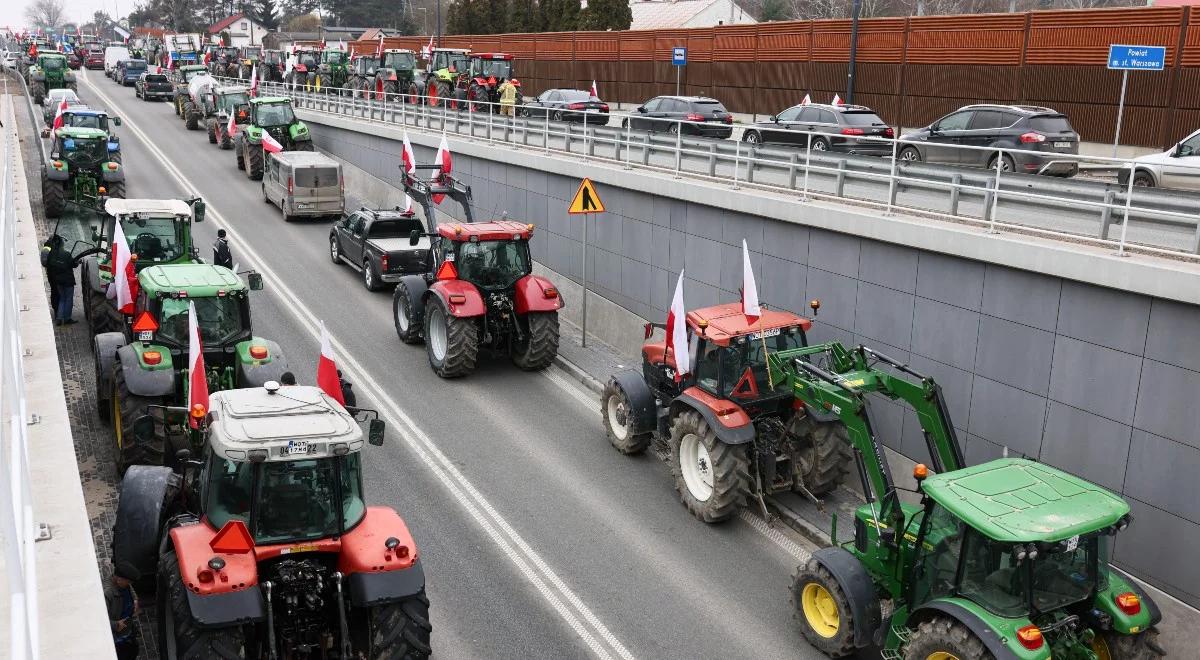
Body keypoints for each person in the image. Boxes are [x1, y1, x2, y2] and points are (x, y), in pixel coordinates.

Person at [41, 234, 78, 325]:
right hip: (68, 281)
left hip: (57, 281)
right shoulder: (66, 254)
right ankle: (67, 318)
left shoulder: (51, 255)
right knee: (68, 299)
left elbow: (47, 264)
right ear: (61, 244)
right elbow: (74, 264)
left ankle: (59, 318)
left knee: (62, 298)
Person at [105, 569, 139, 660]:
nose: (129, 583)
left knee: (134, 651)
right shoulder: (107, 594)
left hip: (128, 630)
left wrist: (135, 599)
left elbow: (130, 588)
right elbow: (101, 620)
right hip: (118, 639)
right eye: (128, 582)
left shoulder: (122, 581)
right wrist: (116, 625)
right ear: (119, 580)